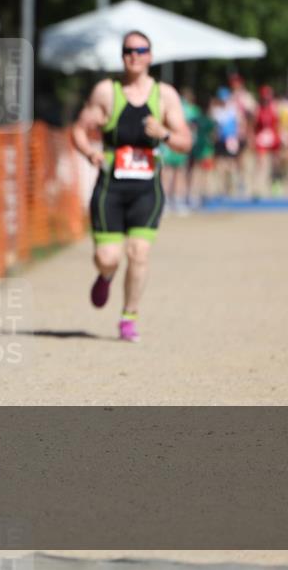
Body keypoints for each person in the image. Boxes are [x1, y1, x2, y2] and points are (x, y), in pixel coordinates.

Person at [71, 31, 191, 342]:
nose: (134, 55)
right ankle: (106, 274)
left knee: (139, 253)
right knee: (108, 256)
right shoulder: (106, 92)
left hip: (146, 189)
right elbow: (79, 131)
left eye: (140, 50)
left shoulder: (165, 96)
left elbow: (185, 142)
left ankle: (129, 317)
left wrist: (163, 133)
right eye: (128, 50)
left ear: (150, 56)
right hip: (111, 187)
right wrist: (90, 152)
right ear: (122, 55)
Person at [251, 85, 281, 199]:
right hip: (261, 139)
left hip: (273, 138)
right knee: (260, 163)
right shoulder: (258, 110)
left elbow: (278, 123)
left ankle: (275, 183)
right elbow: (254, 126)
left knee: (275, 163)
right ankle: (257, 188)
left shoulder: (274, 108)